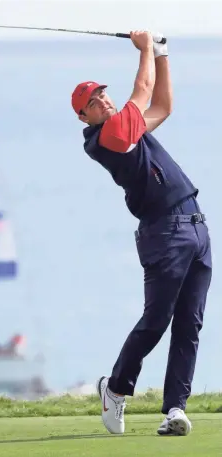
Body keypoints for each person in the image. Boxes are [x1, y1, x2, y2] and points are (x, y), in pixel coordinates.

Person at [71, 30, 212, 436]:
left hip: (195, 226)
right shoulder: (110, 136)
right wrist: (146, 47)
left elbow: (163, 104)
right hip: (164, 233)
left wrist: (162, 53)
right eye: (92, 103)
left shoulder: (126, 130)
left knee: (190, 323)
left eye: (102, 94)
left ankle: (175, 410)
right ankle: (115, 389)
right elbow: (144, 88)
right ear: (84, 117)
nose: (103, 101)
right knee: (157, 321)